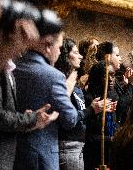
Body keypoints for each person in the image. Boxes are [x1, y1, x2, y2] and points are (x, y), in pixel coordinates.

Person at [0, 0, 58, 170]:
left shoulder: (7, 66)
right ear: (12, 32)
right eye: (23, 39)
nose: (24, 48)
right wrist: (31, 118)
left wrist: (32, 120)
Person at [13, 9, 78, 170]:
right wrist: (67, 92)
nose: (58, 52)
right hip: (41, 158)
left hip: (12, 156)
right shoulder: (54, 76)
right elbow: (70, 119)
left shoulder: (11, 68)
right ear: (49, 45)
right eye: (59, 47)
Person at [54, 38, 86, 170]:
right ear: (66, 56)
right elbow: (66, 116)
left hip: (78, 144)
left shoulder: (75, 83)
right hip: (66, 144)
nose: (81, 56)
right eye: (76, 52)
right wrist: (91, 110)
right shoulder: (62, 81)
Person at [84, 61, 117, 170]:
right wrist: (109, 139)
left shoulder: (111, 97)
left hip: (110, 154)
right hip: (94, 155)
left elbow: (113, 125)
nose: (111, 79)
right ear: (98, 77)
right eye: (106, 75)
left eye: (113, 75)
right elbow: (87, 135)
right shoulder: (89, 99)